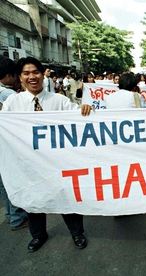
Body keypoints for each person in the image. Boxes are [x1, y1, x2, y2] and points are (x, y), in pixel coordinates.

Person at [2, 57, 92, 252]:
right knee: (34, 200)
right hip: (28, 165)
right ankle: (38, 235)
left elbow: (79, 119)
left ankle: (77, 233)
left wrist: (86, 110)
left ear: (43, 74)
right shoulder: (12, 103)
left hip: (59, 164)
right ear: (20, 77)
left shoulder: (59, 101)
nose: (32, 77)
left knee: (67, 199)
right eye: (26, 73)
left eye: (35, 72)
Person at [0, 56, 28, 231]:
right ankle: (17, 216)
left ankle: (11, 215)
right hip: (8, 145)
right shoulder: (8, 95)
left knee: (4, 181)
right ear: (9, 75)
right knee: (13, 177)